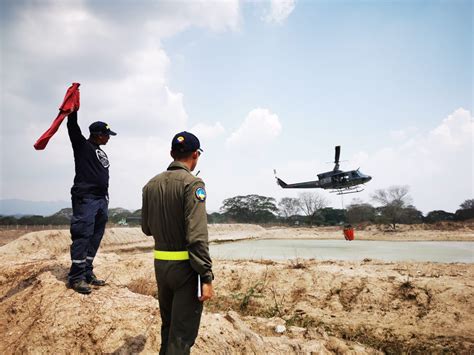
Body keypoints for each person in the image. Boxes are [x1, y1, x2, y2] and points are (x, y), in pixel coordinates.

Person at [141, 131, 214, 354]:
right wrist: (207, 275)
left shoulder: (150, 185)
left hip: (161, 266)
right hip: (186, 270)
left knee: (169, 327)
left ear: (172, 153)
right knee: (181, 336)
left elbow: (146, 229)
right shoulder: (193, 184)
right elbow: (197, 236)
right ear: (195, 155)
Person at [67, 110, 117, 294]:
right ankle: (76, 277)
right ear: (98, 134)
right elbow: (72, 128)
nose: (108, 138)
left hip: (101, 200)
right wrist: (73, 112)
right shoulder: (82, 146)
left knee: (95, 236)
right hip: (86, 198)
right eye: (107, 135)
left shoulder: (99, 151)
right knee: (83, 234)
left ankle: (87, 272)